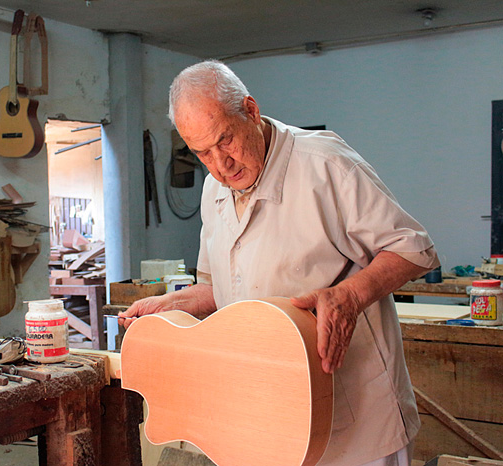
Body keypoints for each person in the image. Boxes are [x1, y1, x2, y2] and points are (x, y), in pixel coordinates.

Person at [118, 60, 440, 466]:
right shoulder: (214, 190)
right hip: (269, 414)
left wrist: (349, 296)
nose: (221, 165)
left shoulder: (325, 164)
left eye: (226, 141)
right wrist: (172, 306)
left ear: (251, 112)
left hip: (354, 414)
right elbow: (222, 289)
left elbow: (414, 247)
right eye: (202, 153)